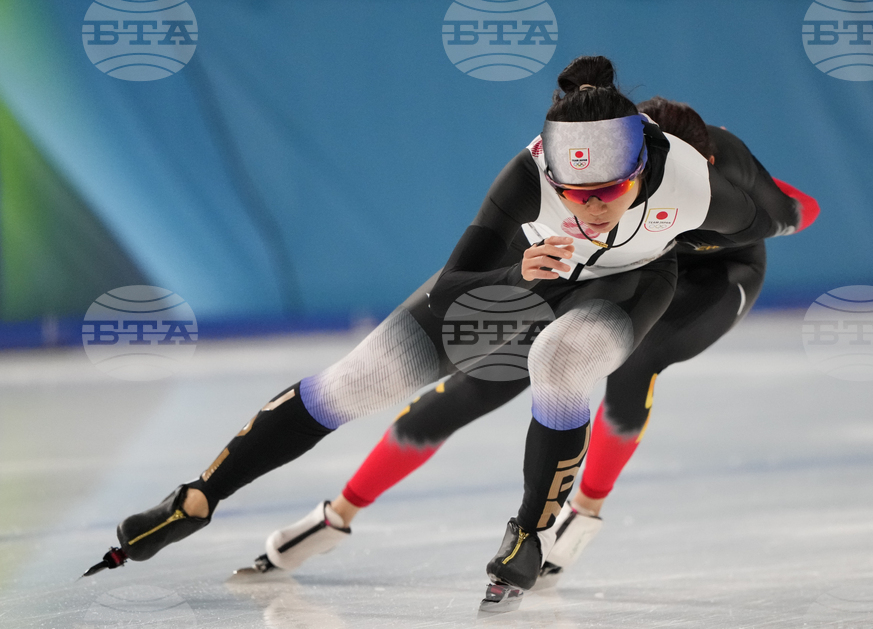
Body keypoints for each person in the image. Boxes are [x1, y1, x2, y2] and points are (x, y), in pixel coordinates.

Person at [86, 56, 795, 596]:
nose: (589, 206)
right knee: (357, 381)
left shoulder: (702, 185)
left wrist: (689, 242)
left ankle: (531, 530)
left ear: (644, 168)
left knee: (565, 360)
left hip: (639, 281)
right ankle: (198, 496)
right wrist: (521, 276)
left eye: (608, 191)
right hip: (532, 272)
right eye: (573, 191)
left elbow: (784, 217)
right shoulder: (528, 174)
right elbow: (457, 285)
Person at [243, 98, 820, 589]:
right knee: (480, 379)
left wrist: (779, 217)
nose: (610, 190)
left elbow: (798, 208)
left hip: (715, 276)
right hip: (618, 272)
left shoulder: (721, 175)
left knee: (635, 357)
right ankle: (338, 513)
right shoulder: (602, 177)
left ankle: (585, 510)